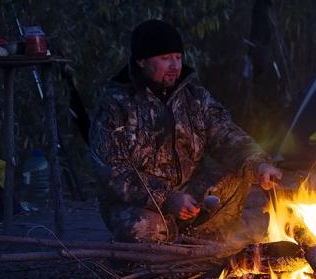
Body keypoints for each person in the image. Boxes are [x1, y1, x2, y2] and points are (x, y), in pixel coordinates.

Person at [90, 19, 282, 243]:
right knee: (142, 228)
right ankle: (169, 246)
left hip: (190, 194)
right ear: (141, 61)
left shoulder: (193, 95)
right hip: (141, 204)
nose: (175, 66)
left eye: (178, 57)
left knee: (238, 175)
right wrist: (167, 198)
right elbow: (113, 171)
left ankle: (199, 243)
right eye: (165, 58)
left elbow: (226, 133)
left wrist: (259, 163)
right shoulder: (116, 104)